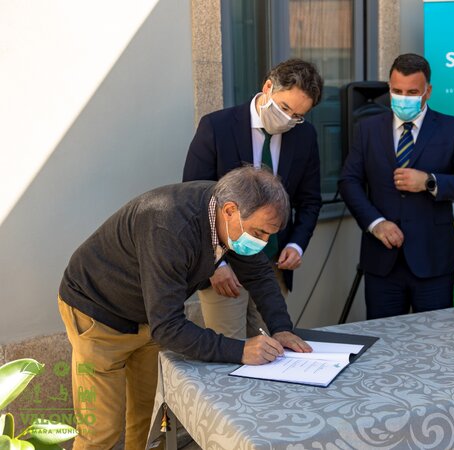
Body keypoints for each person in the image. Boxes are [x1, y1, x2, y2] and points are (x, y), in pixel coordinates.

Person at [58, 167, 311, 449]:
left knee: (146, 418)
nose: (262, 243)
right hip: (98, 312)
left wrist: (281, 328)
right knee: (102, 431)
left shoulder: (228, 216)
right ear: (230, 211)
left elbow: (260, 274)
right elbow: (168, 328)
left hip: (149, 315)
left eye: (269, 236)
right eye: (259, 233)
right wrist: (240, 350)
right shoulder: (169, 227)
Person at [339, 53, 454, 319]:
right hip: (382, 260)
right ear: (389, 87)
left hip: (433, 261)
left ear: (427, 91)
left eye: (412, 92)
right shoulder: (368, 129)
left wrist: (429, 182)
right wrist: (376, 223)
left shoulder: (450, 128)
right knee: (383, 338)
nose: (403, 98)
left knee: (434, 337)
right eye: (397, 91)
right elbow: (349, 181)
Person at [183, 58, 323, 339]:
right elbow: (194, 200)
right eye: (284, 108)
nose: (288, 119)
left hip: (273, 265)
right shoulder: (217, 126)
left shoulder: (304, 135)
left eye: (297, 115)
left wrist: (296, 244)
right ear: (268, 87)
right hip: (224, 265)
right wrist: (214, 264)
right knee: (229, 347)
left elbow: (310, 200)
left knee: (274, 345)